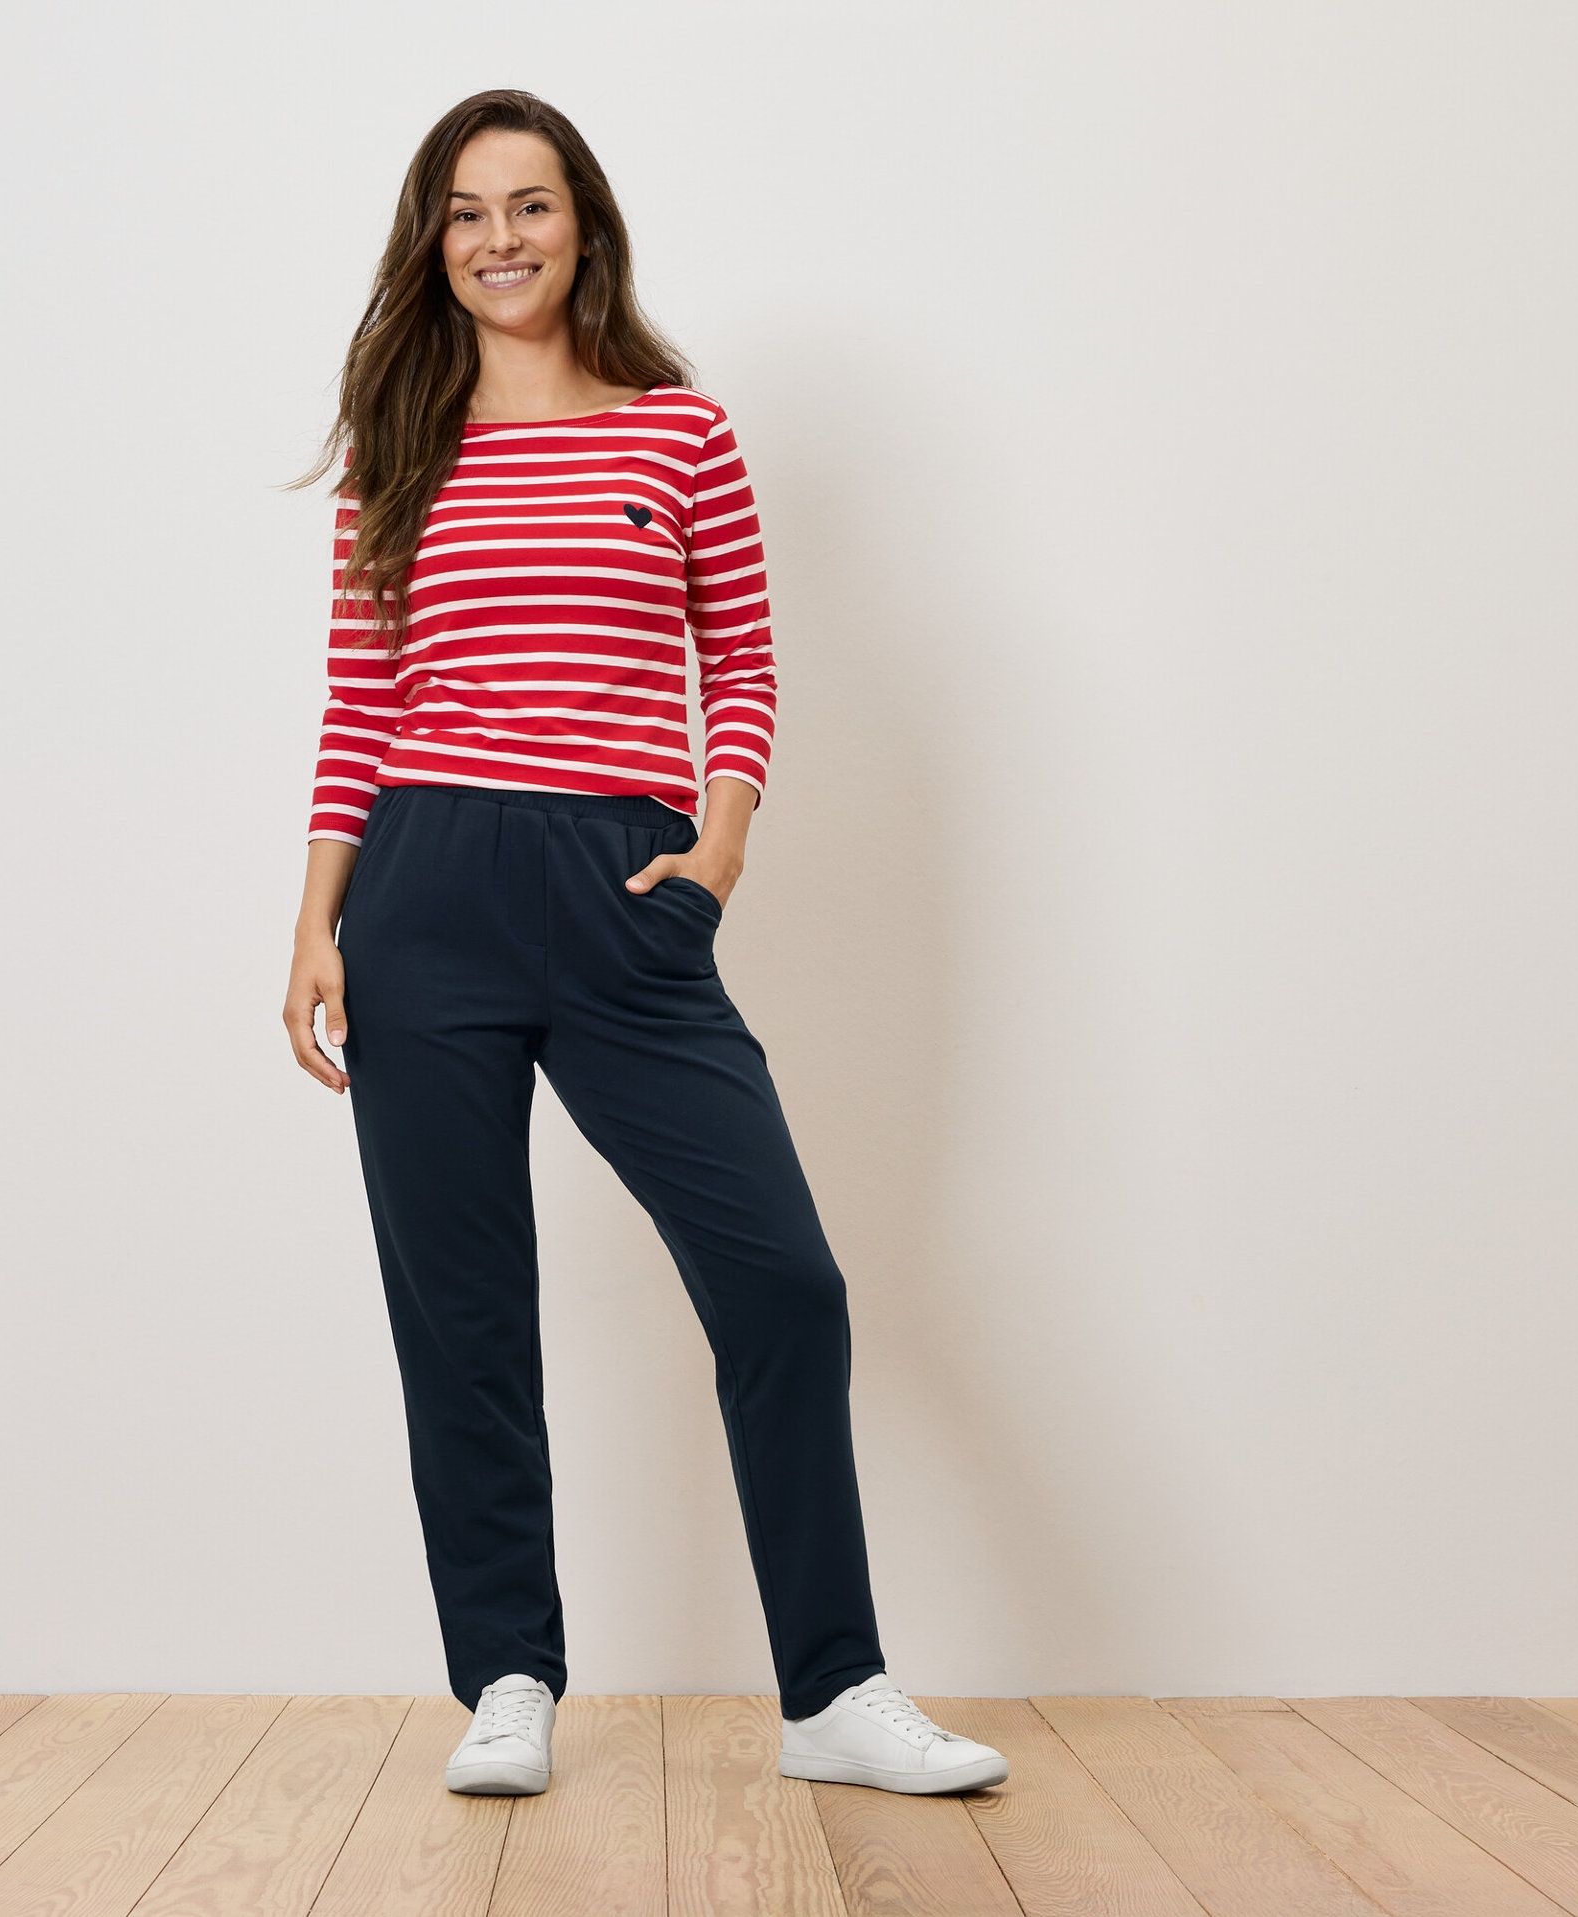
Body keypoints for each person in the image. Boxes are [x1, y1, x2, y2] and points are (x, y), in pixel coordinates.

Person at [282, 88, 1007, 1800]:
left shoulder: (675, 433)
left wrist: (715, 859)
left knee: (781, 1282)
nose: (499, 240)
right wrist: (316, 920)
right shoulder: (403, 437)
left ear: (584, 226)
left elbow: (742, 665)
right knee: (459, 1307)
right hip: (424, 888)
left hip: (624, 898)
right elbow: (358, 699)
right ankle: (508, 1674)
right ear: (431, 242)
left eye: (528, 207)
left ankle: (832, 1690)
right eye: (463, 214)